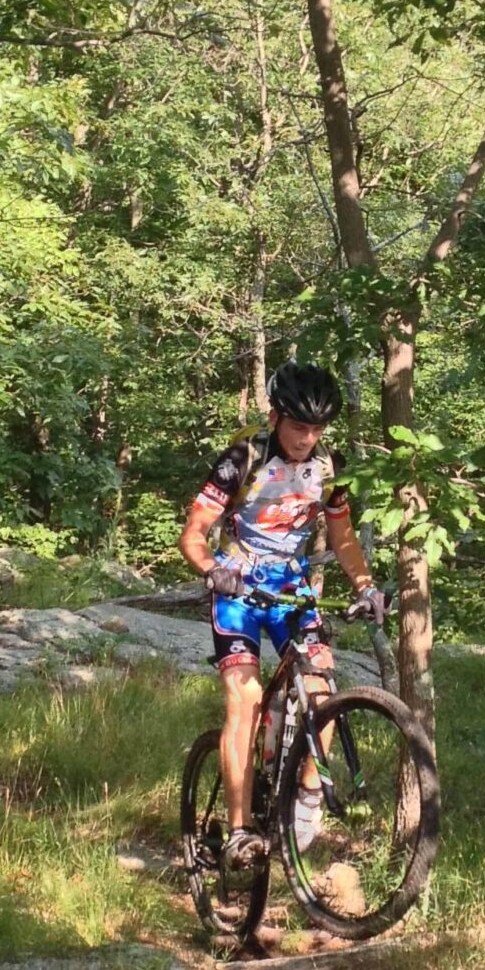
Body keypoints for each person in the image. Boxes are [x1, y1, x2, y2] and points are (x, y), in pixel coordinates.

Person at [179, 361, 387, 869]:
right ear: (276, 417)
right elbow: (194, 532)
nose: (307, 438)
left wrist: (365, 586)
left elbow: (341, 535)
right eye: (298, 427)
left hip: (291, 584)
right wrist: (211, 568)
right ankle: (238, 830)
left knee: (321, 687)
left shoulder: (330, 467)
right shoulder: (241, 457)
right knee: (245, 699)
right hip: (239, 583)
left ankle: (305, 804)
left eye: (317, 430)